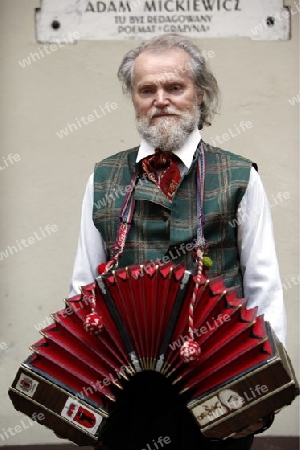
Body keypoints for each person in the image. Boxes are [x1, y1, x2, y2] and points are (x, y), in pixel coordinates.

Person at [69, 34, 286, 450]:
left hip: (219, 380)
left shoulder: (240, 177)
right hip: (126, 386)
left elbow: (263, 288)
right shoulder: (103, 178)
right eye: (146, 89)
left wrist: (263, 381)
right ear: (133, 98)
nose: (160, 99)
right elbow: (83, 286)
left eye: (175, 87)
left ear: (199, 95)